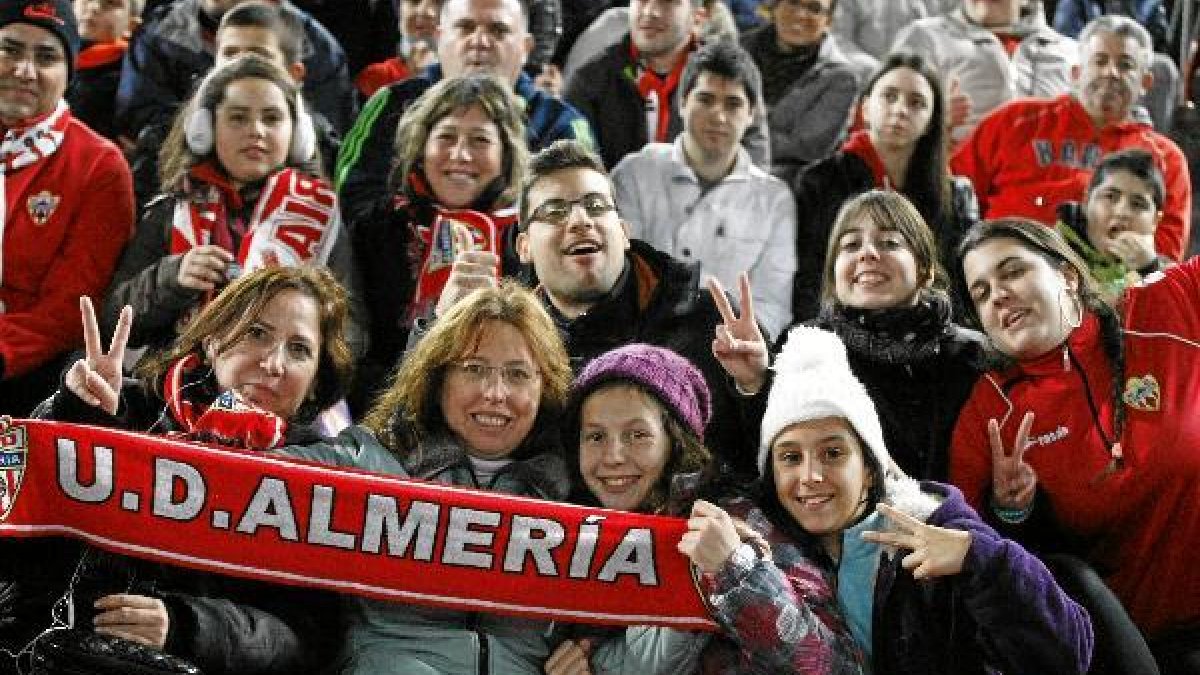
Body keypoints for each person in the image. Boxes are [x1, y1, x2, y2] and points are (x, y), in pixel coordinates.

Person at [679, 324, 1093, 673]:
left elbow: (1069, 654)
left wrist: (980, 559)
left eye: (833, 453)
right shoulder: (758, 539)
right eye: (790, 457)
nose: (810, 476)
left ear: (871, 467)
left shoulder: (935, 527)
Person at [6, 265, 354, 674]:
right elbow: (17, 525)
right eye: (256, 333)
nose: (274, 363)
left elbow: (305, 639)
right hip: (41, 643)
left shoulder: (322, 478)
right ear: (212, 341)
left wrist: (186, 625)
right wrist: (76, 416)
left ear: (315, 381)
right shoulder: (126, 404)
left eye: (299, 349)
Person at [278, 281, 575, 675]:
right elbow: (234, 476)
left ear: (545, 388)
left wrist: (590, 644)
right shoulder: (369, 460)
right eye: (474, 369)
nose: (495, 393)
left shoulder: (575, 489)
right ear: (437, 379)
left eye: (518, 374)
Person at [952, 217, 1200, 673]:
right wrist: (1011, 510)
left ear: (1067, 276)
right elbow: (976, 555)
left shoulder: (1165, 305)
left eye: (1011, 272)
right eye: (981, 293)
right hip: (1131, 649)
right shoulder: (991, 411)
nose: (999, 295)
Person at [547, 342, 865, 674]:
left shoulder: (736, 521)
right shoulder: (574, 537)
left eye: (637, 435)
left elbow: (838, 666)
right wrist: (594, 662)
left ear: (676, 441)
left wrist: (737, 569)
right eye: (595, 437)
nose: (613, 456)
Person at [512, 139, 770, 483]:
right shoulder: (506, 340)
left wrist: (756, 387)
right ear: (524, 246)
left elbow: (778, 459)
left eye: (595, 205)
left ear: (623, 231)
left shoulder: (714, 323)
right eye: (555, 211)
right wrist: (438, 330)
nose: (579, 220)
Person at [100, 54, 361, 360]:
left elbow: (353, 332)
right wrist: (172, 278)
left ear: (297, 134)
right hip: (175, 388)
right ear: (205, 130)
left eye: (272, 118)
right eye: (238, 117)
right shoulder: (171, 211)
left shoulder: (320, 214)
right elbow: (113, 320)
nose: (256, 131)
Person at [336, 0, 594, 238]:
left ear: (526, 47)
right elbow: (353, 200)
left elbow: (584, 220)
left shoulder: (562, 125)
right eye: (465, 27)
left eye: (498, 30)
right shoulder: (393, 104)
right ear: (439, 38)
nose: (480, 41)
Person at [351, 73, 529, 413]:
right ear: (421, 148)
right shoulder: (378, 228)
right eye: (446, 137)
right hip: (382, 409)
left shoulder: (524, 242)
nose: (460, 154)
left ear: (506, 157)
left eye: (480, 140)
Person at [950, 14, 1192, 263]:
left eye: (1125, 65)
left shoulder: (1166, 159)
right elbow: (951, 191)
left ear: (1146, 82)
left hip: (1105, 286)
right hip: (997, 266)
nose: (1111, 73)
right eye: (1099, 61)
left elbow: (1166, 259)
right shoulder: (1015, 120)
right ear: (1076, 73)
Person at [788, 190, 986, 482]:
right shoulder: (804, 348)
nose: (867, 253)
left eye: (890, 243)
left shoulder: (974, 356)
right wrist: (750, 382)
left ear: (925, 270)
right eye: (851, 244)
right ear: (833, 275)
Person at [0, 0, 136, 416]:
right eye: (10, 49)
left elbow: (67, 311)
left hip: (24, 374)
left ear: (69, 73)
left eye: (47, 57)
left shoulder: (99, 165)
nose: (25, 70)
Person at [612, 40, 796, 339]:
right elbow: (619, 277)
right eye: (706, 99)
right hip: (639, 342)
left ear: (751, 115)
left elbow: (771, 305)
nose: (719, 116)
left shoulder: (773, 199)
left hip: (727, 354)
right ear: (682, 103)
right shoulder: (635, 173)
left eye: (733, 104)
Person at [791, 52, 978, 321]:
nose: (900, 110)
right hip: (841, 326)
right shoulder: (820, 180)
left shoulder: (957, 194)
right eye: (889, 96)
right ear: (865, 109)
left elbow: (963, 284)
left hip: (931, 332)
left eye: (917, 103)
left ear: (930, 121)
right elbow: (810, 278)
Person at [127, 0, 346, 212]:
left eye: (256, 55)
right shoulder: (161, 140)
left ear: (293, 73)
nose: (240, 65)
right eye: (230, 54)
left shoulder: (324, 147)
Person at [563, 0, 769, 170]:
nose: (651, 11)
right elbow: (575, 168)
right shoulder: (590, 81)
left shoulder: (733, 77)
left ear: (699, 16)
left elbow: (754, 163)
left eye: (668, 2)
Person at [115, 0, 354, 142]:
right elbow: (139, 122)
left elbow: (324, 137)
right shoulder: (159, 32)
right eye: (229, 53)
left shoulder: (319, 51)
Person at [891, 0, 1077, 144]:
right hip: (953, 177)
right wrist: (934, 119)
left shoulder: (1074, 53)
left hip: (1049, 180)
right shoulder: (923, 37)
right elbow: (884, 123)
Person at [739, 0, 860, 181]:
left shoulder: (841, 78)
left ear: (828, 20)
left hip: (785, 182)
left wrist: (737, 132)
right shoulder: (739, 50)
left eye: (814, 8)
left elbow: (806, 148)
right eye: (793, 2)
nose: (801, 14)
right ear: (775, 6)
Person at [1056, 148, 1172, 296]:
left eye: (1137, 204)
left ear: (1155, 220)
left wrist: (1150, 271)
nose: (1122, 212)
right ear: (1086, 202)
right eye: (1110, 197)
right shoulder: (1049, 258)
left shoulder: (1172, 277)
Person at [68, 0, 143, 140]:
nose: (94, 7)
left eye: (110, 3)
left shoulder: (131, 79)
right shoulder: (47, 60)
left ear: (131, 26)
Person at [354, 0, 442, 99]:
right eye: (415, 1)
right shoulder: (375, 78)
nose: (429, 12)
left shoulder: (459, 74)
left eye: (439, 2)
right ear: (399, 10)